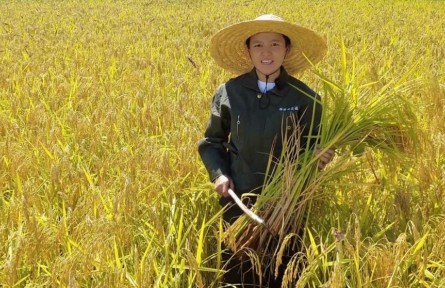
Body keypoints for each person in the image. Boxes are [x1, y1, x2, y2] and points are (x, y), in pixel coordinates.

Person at [198, 14, 335, 287]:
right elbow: (212, 142)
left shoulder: (305, 97)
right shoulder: (229, 92)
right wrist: (219, 175)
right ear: (248, 50)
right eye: (258, 45)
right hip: (239, 201)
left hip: (288, 205)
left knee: (283, 272)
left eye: (275, 44)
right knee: (239, 272)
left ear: (287, 49)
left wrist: (322, 157)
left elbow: (312, 148)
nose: (267, 52)